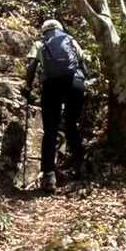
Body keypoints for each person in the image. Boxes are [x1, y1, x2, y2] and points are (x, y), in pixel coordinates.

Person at [24, 18, 87, 192]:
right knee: (71, 126)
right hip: (76, 83)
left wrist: (27, 87)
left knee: (50, 130)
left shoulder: (40, 43)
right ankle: (81, 167)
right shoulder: (71, 40)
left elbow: (31, 67)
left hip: (51, 86)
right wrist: (84, 83)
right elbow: (83, 65)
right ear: (60, 29)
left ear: (44, 31)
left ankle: (49, 177)